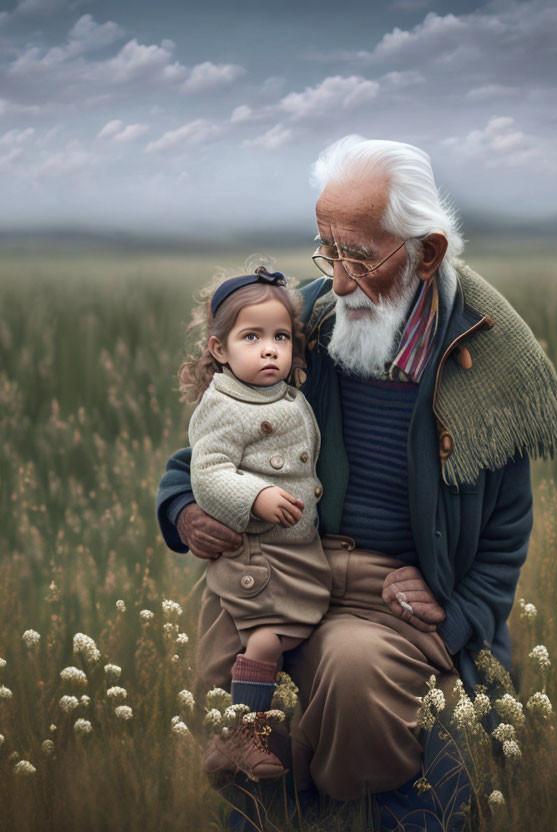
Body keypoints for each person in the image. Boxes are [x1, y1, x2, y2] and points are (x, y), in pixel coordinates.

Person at [157, 137, 557, 829]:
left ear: (428, 252)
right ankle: (277, 800)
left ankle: (340, 806)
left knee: (352, 669)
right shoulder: (308, 327)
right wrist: (183, 510)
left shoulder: (491, 361)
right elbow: (207, 450)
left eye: (360, 254)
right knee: (230, 638)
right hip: (295, 562)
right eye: (328, 250)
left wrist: (459, 608)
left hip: (394, 596)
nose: (340, 279)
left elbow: (505, 532)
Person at [178, 265, 332, 781]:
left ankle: (260, 738)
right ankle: (244, 731)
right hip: (258, 552)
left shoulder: (286, 395)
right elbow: (208, 471)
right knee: (265, 638)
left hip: (293, 550)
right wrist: (258, 495)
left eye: (281, 337)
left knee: (290, 630)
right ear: (220, 350)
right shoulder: (223, 404)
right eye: (252, 337)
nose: (270, 350)